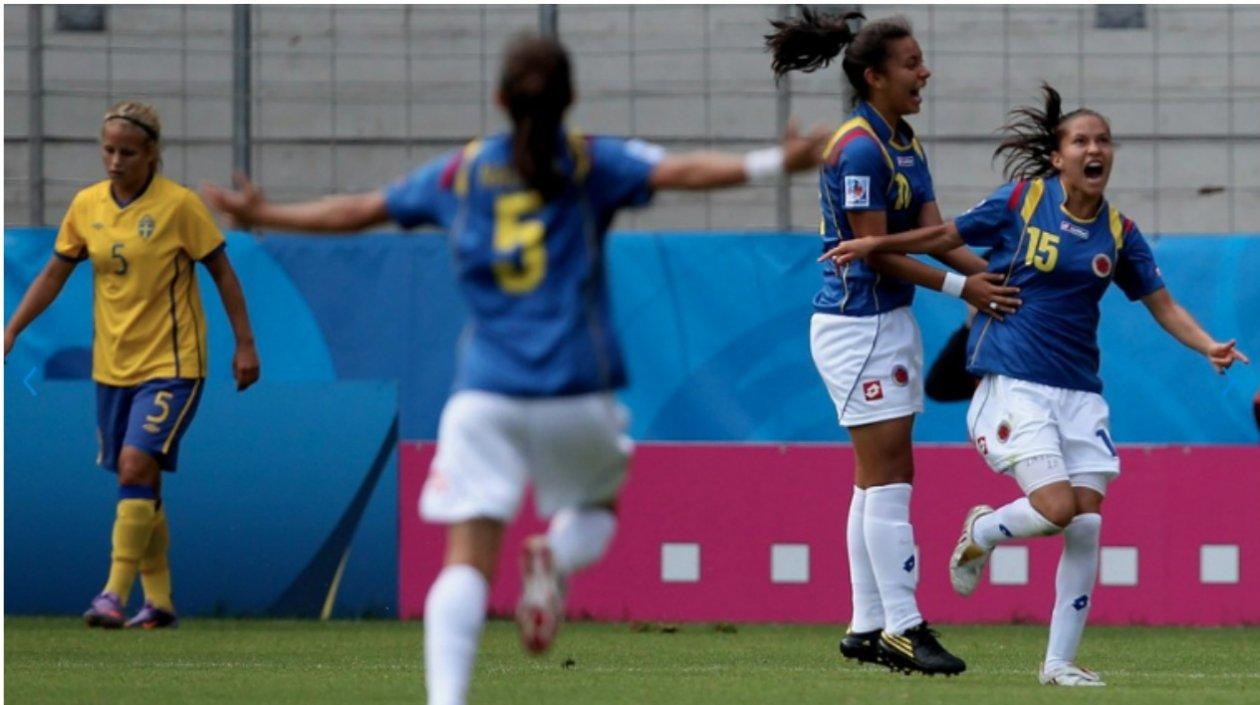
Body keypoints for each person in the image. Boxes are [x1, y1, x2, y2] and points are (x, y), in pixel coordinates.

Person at [201, 34, 828, 705]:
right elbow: (683, 171)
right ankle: (553, 560)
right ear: (572, 98)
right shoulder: (590, 161)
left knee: (466, 558)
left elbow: (360, 210)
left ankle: (447, 699)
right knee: (596, 508)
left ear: (500, 99)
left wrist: (267, 213)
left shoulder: (464, 171)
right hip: (575, 389)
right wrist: (777, 160)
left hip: (486, 392)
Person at [820, 83, 1249, 686]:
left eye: (1102, 140)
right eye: (1081, 140)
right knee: (1055, 510)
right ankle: (982, 530)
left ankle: (1058, 664)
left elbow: (1162, 303)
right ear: (1058, 155)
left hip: (1080, 394)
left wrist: (1208, 345)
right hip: (1014, 386)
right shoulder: (1023, 201)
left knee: (1087, 522)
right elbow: (946, 237)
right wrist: (878, 243)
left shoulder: (1120, 233)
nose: (1094, 149)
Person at [765, 9, 1021, 676]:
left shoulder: (905, 140)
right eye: (911, 64)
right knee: (890, 475)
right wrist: (964, 291)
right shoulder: (858, 148)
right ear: (875, 76)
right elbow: (874, 253)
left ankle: (866, 623)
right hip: (858, 326)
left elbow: (935, 235)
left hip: (887, 325)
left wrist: (991, 278)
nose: (925, 71)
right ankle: (905, 627)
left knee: (874, 479)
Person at [4, 101, 261, 629]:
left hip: (173, 361)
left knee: (134, 466)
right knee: (142, 484)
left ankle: (112, 594)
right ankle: (160, 601)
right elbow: (54, 274)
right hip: (113, 367)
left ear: (151, 155)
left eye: (127, 152)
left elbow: (223, 273)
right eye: (108, 150)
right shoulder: (86, 206)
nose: (115, 161)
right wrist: (11, 330)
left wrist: (245, 345)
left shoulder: (179, 206)